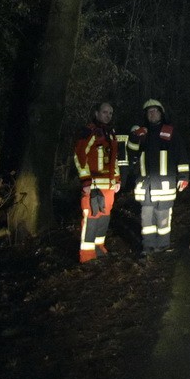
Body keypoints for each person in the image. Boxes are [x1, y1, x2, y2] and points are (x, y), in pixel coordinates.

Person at [127, 99, 189, 254]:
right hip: (145, 185)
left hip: (164, 184)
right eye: (149, 111)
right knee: (146, 218)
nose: (152, 113)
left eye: (155, 110)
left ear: (161, 113)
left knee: (163, 217)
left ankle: (163, 245)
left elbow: (181, 155)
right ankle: (148, 246)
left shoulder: (170, 132)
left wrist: (184, 177)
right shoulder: (141, 133)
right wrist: (135, 138)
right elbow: (131, 153)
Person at [73, 102, 121, 263]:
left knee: (104, 217)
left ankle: (99, 248)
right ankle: (87, 255)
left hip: (108, 185)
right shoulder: (89, 131)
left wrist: (117, 179)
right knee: (91, 218)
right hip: (93, 185)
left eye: (110, 113)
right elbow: (79, 156)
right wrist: (86, 181)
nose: (108, 115)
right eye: (105, 112)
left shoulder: (111, 133)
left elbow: (114, 159)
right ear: (97, 113)